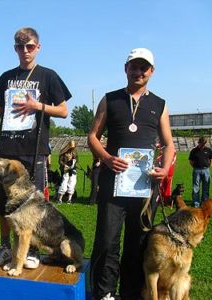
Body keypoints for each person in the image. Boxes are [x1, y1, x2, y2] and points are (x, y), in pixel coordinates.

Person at [87, 48, 175, 300]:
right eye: (134, 66)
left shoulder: (160, 104)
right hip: (113, 182)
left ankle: (130, 293)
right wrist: (105, 158)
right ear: (126, 68)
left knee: (138, 243)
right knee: (107, 241)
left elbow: (168, 144)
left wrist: (165, 169)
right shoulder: (110, 99)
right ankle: (104, 292)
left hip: (144, 186)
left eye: (143, 68)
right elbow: (93, 136)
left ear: (151, 72)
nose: (138, 71)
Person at [0, 27, 71, 269]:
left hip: (34, 149)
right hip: (7, 147)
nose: (25, 51)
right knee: (3, 203)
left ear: (38, 47)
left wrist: (37, 105)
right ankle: (4, 247)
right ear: (15, 49)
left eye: (30, 46)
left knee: (32, 203)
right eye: (20, 47)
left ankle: (30, 250)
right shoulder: (6, 76)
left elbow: (63, 110)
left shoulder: (48, 76)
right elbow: (2, 113)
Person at [189, 136, 212, 208]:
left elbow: (211, 159)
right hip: (197, 170)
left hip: (206, 170)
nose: (202, 145)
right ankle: (196, 203)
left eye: (204, 144)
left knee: (206, 187)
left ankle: (204, 202)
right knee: (196, 187)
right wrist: (195, 168)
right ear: (199, 143)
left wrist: (209, 166)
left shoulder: (208, 150)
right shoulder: (194, 151)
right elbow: (191, 161)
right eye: (201, 143)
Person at [56, 140, 77, 204]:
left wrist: (74, 162)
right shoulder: (63, 152)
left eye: (73, 147)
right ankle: (59, 199)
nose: (72, 149)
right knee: (64, 185)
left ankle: (69, 199)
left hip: (73, 170)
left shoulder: (74, 152)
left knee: (72, 184)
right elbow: (60, 161)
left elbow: (77, 160)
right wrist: (64, 165)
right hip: (65, 170)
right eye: (71, 147)